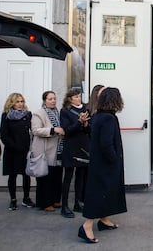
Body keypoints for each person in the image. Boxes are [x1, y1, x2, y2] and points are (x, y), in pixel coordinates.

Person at [79, 87, 127, 244]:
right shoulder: (108, 118)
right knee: (100, 193)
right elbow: (106, 143)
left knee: (105, 191)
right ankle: (87, 226)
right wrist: (114, 159)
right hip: (106, 164)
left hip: (99, 162)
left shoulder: (100, 116)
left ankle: (104, 220)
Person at [0, 93, 35, 210]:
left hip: (25, 150)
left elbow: (33, 130)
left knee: (26, 175)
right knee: (12, 175)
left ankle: (26, 198)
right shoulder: (6, 116)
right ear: (12, 103)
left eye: (22, 101)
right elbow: (4, 135)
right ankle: (13, 200)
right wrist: (14, 146)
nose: (20, 104)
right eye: (17, 102)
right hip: (12, 151)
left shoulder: (28, 115)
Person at [31, 91, 65, 211]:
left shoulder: (57, 112)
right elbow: (36, 130)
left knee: (56, 176)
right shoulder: (38, 113)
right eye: (50, 99)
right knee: (45, 178)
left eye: (54, 98)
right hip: (44, 151)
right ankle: (45, 203)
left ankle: (55, 200)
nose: (53, 101)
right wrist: (53, 130)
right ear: (44, 100)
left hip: (57, 150)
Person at [60, 89, 91, 218]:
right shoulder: (65, 111)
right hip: (71, 146)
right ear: (70, 99)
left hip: (83, 146)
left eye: (79, 96)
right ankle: (65, 206)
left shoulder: (85, 109)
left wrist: (85, 124)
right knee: (68, 176)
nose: (78, 98)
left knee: (81, 175)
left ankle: (78, 202)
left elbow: (89, 129)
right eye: (76, 97)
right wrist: (79, 122)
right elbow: (67, 130)